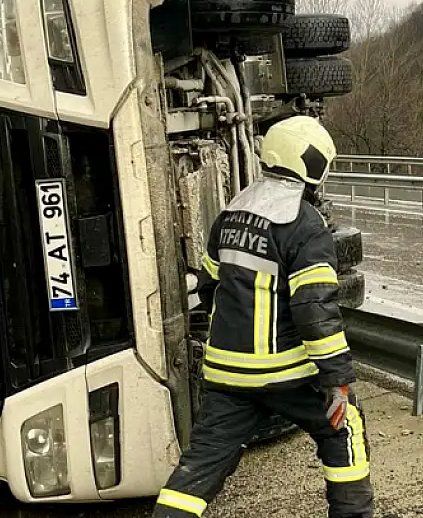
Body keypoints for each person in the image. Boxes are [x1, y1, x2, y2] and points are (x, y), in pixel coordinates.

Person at [152, 116, 373, 518]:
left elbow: (209, 286)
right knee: (344, 429)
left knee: (200, 465)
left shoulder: (231, 213)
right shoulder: (304, 224)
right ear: (312, 163)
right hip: (287, 374)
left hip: (226, 374)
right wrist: (336, 379)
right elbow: (315, 310)